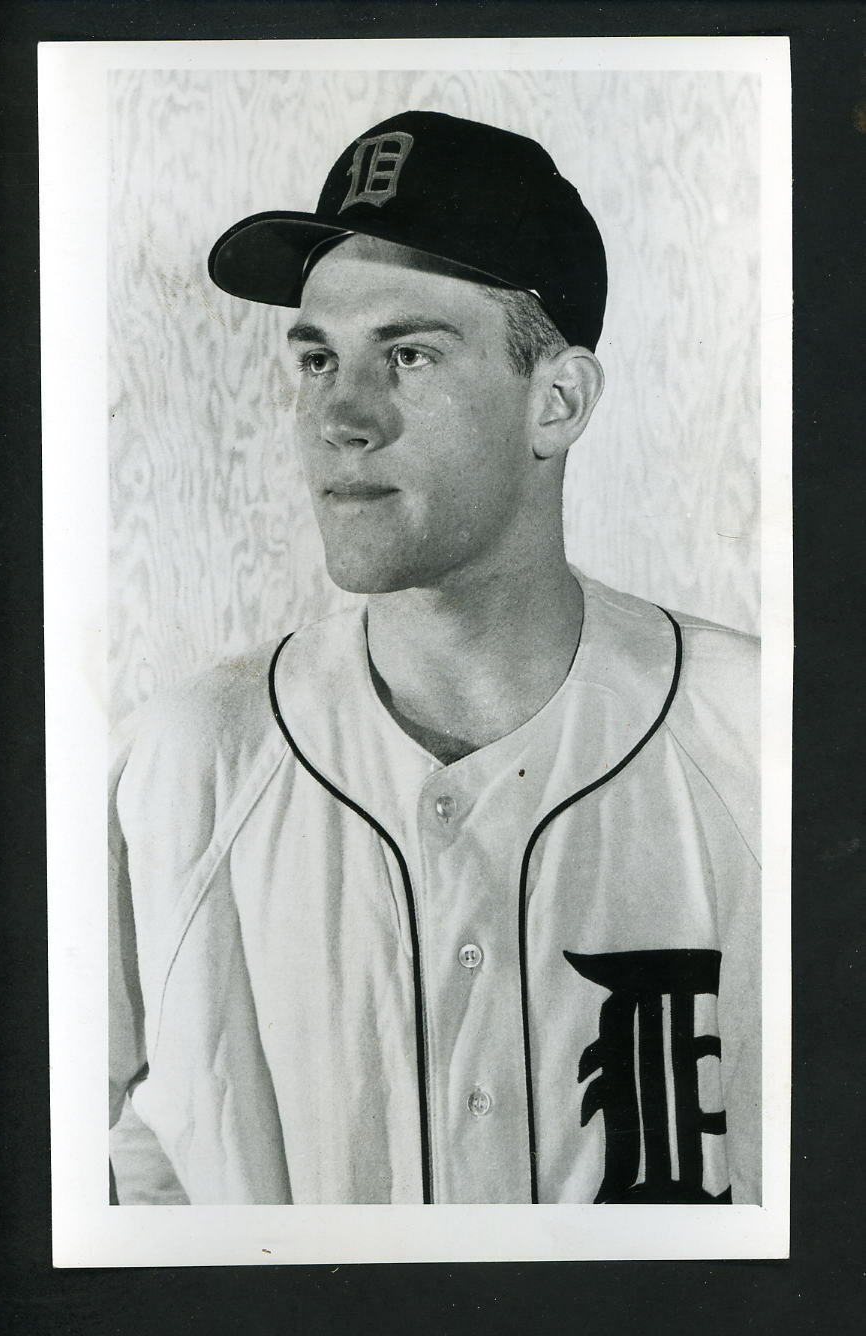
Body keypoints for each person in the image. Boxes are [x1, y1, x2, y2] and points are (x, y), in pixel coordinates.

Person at [109, 110, 760, 1206]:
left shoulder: (772, 740)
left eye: (407, 354)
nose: (339, 416)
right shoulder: (181, 765)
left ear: (557, 402)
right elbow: (104, 1187)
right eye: (317, 357)